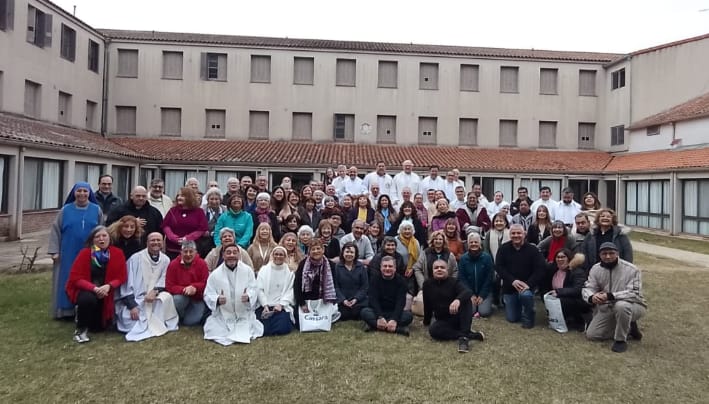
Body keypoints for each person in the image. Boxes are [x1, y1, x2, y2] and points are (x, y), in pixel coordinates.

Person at [49, 182, 103, 319]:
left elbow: (102, 231)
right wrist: (54, 251)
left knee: (88, 279)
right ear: (74, 193)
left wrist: (101, 250)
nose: (82, 194)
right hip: (68, 251)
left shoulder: (96, 210)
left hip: (90, 251)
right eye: (79, 191)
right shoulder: (65, 210)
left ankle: (85, 309)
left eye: (85, 191)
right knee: (66, 279)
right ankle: (65, 311)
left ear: (89, 193)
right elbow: (55, 230)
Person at [65, 226, 127, 343]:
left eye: (104, 236)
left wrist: (109, 286)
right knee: (87, 299)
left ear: (109, 238)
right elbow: (76, 278)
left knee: (98, 328)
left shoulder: (117, 253)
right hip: (88, 290)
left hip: (107, 291)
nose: (101, 239)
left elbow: (121, 276)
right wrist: (94, 289)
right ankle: (80, 330)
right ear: (92, 240)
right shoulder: (85, 254)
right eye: (97, 236)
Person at [582, 242, 646, 353]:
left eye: (611, 253)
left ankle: (620, 340)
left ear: (617, 254)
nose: (608, 256)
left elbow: (635, 292)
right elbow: (588, 287)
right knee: (592, 335)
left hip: (633, 305)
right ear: (599, 255)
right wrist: (592, 297)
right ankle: (629, 327)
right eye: (604, 253)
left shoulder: (632, 269)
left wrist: (611, 296)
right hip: (608, 307)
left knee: (622, 306)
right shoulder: (595, 269)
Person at [115, 232, 179, 341]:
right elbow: (127, 283)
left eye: (158, 240)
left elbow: (164, 279)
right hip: (136, 299)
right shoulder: (135, 259)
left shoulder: (165, 260)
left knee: (166, 298)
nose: (156, 243)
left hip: (153, 297)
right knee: (130, 320)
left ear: (162, 243)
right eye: (152, 240)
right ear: (147, 243)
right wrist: (132, 306)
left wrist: (155, 291)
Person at [203, 244, 263, 345]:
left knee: (250, 328)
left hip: (243, 311)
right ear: (223, 255)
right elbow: (208, 293)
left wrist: (248, 296)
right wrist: (217, 299)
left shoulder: (247, 270)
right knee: (214, 330)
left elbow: (254, 288)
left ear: (239, 255)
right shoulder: (215, 274)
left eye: (234, 253)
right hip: (223, 313)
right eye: (228, 253)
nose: (231, 255)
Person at [423, 259, 486, 353]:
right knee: (433, 330)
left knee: (466, 300)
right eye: (436, 268)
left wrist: (458, 300)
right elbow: (426, 304)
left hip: (459, 317)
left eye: (442, 267)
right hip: (443, 320)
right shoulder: (427, 284)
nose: (439, 269)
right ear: (432, 270)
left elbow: (467, 291)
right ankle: (469, 335)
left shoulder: (454, 282)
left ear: (447, 270)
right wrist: (426, 321)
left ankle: (464, 339)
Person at [495, 224, 547, 329]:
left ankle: (529, 316)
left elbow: (540, 269)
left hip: (527, 288)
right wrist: (512, 281)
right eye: (513, 233)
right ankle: (519, 306)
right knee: (512, 318)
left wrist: (529, 284)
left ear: (524, 234)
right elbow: (499, 267)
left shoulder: (533, 250)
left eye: (519, 233)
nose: (516, 235)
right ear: (509, 235)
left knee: (525, 296)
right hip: (510, 287)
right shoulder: (503, 249)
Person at [360, 256, 413, 335]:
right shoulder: (374, 279)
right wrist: (380, 317)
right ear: (381, 268)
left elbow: (401, 302)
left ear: (395, 268)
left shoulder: (401, 281)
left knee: (408, 316)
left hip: (393, 311)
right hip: (377, 311)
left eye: (390, 266)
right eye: (385, 266)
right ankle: (398, 329)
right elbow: (373, 300)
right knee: (364, 312)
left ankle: (373, 326)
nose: (387, 268)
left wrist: (394, 319)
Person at [545, 249, 591, 332]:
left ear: (569, 258)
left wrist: (559, 292)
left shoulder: (577, 271)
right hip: (559, 298)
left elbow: (578, 290)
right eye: (558, 257)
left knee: (562, 301)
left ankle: (580, 321)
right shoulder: (553, 270)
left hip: (578, 300)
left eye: (563, 257)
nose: (560, 259)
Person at [166, 240, 209, 326]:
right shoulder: (173, 264)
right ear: (181, 252)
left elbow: (206, 283)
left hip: (197, 298)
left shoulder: (202, 264)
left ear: (195, 252)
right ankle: (178, 316)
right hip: (182, 296)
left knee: (190, 322)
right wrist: (185, 289)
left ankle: (202, 312)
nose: (188, 254)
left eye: (191, 251)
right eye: (185, 252)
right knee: (178, 300)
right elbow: (169, 286)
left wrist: (194, 287)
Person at [294, 240, 339, 323]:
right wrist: (302, 304)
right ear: (309, 252)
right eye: (313, 249)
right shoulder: (303, 264)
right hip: (307, 301)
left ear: (323, 250)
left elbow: (335, 284)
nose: (316, 251)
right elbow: (297, 286)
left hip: (324, 300)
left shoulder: (330, 264)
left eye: (318, 248)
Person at [256, 246, 296, 336]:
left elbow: (290, 290)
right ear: (272, 255)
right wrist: (265, 305)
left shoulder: (289, 272)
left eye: (281, 255)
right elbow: (259, 289)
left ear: (285, 257)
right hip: (265, 305)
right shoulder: (264, 270)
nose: (278, 256)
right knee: (263, 330)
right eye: (276, 254)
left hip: (280, 306)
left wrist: (281, 304)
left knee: (283, 329)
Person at [162, 187, 209, 260]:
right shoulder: (173, 210)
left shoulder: (199, 212)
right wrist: (173, 238)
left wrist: (187, 238)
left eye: (182, 196)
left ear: (189, 197)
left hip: (190, 250)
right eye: (178, 195)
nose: (179, 198)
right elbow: (165, 225)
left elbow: (202, 229)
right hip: (172, 250)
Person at [458, 233, 494, 317]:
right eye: (471, 242)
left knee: (484, 312)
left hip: (484, 292)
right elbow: (462, 278)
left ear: (480, 243)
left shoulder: (487, 257)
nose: (474, 244)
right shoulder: (463, 258)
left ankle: (487, 303)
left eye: (476, 242)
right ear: (468, 244)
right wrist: (471, 294)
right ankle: (475, 304)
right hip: (469, 292)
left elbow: (489, 277)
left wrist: (482, 295)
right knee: (471, 311)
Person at [333, 242, 369, 321]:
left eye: (352, 252)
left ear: (355, 254)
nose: (349, 254)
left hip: (358, 301)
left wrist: (356, 299)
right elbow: (336, 287)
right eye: (347, 252)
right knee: (344, 313)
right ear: (343, 253)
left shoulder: (361, 267)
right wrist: (343, 300)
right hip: (343, 301)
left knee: (361, 311)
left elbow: (364, 287)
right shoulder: (337, 267)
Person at [201, 187, 227, 257]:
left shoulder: (225, 210)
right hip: (205, 241)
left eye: (216, 199)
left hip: (221, 240)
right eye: (211, 199)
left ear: (220, 200)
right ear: (207, 200)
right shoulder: (202, 210)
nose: (214, 201)